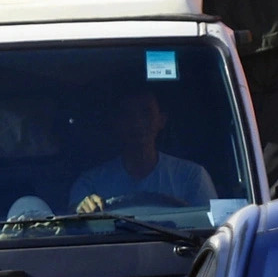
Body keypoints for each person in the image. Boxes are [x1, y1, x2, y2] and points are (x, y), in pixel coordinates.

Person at [69, 87, 216, 214]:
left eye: (146, 114)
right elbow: (73, 230)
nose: (137, 123)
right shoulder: (91, 184)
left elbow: (213, 233)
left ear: (161, 120)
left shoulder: (192, 177)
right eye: (127, 115)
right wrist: (82, 210)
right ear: (115, 123)